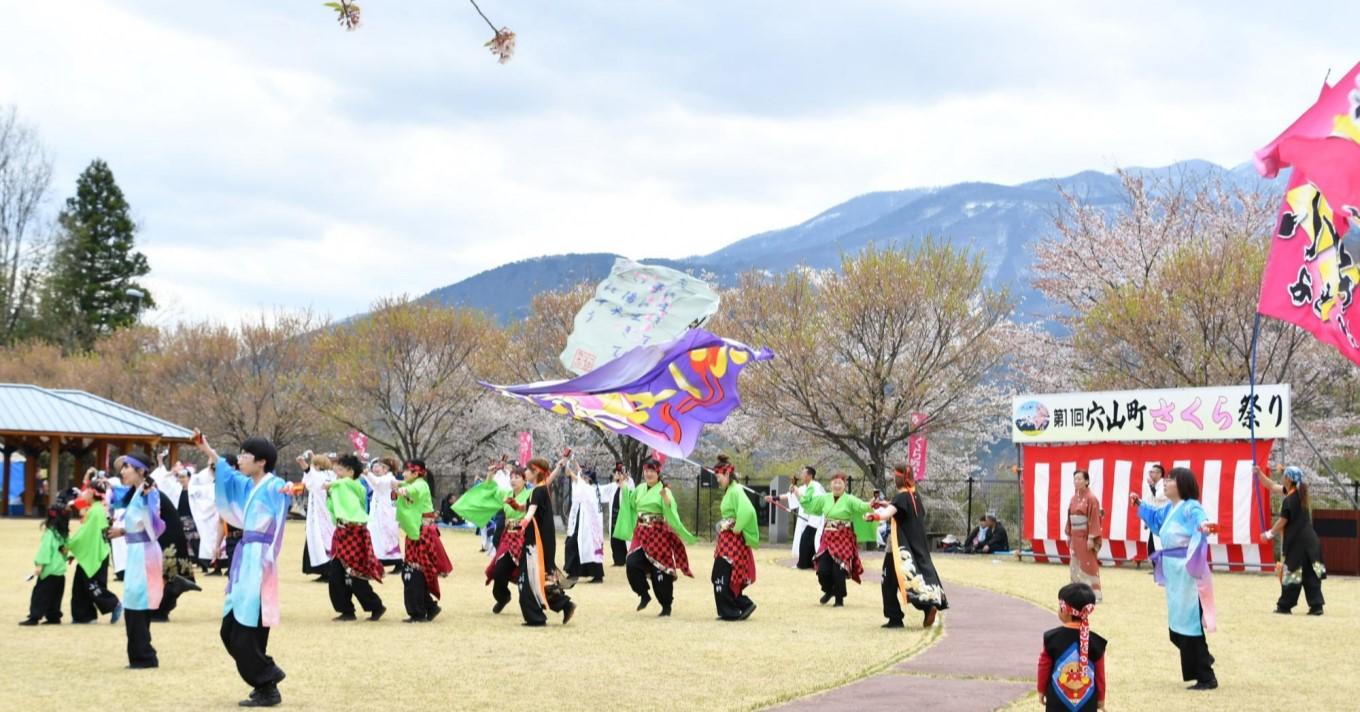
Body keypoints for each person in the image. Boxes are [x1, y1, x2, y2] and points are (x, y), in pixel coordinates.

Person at [196, 430, 301, 707]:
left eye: (246, 455)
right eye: (240, 454)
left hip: (260, 560)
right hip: (246, 557)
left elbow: (286, 492)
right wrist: (208, 450)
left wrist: (290, 490)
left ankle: (267, 681)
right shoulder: (249, 485)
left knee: (247, 627)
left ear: (262, 462)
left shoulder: (274, 485)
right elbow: (227, 475)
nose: (240, 459)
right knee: (230, 629)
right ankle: (263, 678)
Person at [1131, 467, 1218, 691]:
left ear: (1182, 484)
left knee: (1189, 624)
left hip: (1187, 571)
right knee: (1177, 628)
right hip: (1174, 572)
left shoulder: (1191, 506)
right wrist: (1140, 504)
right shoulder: (1170, 508)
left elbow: (1201, 519)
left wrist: (1204, 526)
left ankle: (1206, 676)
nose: (1166, 482)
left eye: (1170, 479)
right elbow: (1156, 519)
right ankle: (1203, 658)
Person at [866, 464, 947, 628]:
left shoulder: (900, 497)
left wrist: (873, 516)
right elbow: (900, 509)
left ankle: (894, 617)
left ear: (897, 479)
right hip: (916, 544)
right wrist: (886, 504)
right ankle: (927, 606)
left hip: (898, 548)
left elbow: (888, 514)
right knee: (912, 577)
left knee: (888, 581)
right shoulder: (914, 496)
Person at [615, 458, 698, 616]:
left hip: (658, 534)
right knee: (631, 563)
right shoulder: (640, 488)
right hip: (641, 533)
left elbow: (671, 509)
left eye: (652, 471)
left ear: (658, 472)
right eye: (646, 471)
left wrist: (666, 499)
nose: (648, 474)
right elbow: (631, 502)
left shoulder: (664, 490)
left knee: (660, 571)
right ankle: (644, 594)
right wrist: (623, 485)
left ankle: (666, 606)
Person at [106, 456, 165, 669]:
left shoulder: (150, 492)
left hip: (145, 553)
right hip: (137, 551)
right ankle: (140, 654)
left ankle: (145, 656)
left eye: (127, 467)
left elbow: (153, 525)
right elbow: (138, 523)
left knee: (137, 602)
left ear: (140, 471)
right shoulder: (138, 492)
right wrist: (122, 531)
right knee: (134, 602)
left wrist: (148, 499)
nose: (122, 472)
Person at [452, 464, 532, 613]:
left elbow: (532, 508)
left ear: (524, 479)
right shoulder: (506, 494)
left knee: (529, 573)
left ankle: (555, 602)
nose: (513, 480)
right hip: (508, 537)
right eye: (511, 477)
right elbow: (490, 489)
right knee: (498, 570)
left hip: (525, 537)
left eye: (517, 477)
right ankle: (503, 597)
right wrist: (490, 474)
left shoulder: (531, 494)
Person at [796, 472, 877, 607]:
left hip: (843, 538)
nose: (837, 485)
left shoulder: (849, 499)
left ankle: (839, 599)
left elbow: (862, 506)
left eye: (840, 483)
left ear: (844, 485)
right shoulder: (824, 498)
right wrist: (798, 494)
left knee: (838, 569)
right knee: (823, 569)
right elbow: (810, 505)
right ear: (830, 484)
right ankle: (829, 590)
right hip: (828, 537)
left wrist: (871, 503)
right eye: (834, 482)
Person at [325, 454, 386, 622]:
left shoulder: (355, 485)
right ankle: (346, 610)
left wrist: (332, 484)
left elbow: (344, 484)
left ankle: (375, 606)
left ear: (351, 472)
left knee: (355, 574)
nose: (336, 473)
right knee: (336, 574)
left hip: (354, 533)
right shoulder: (340, 486)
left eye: (340, 470)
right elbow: (332, 506)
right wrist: (330, 491)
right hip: (341, 532)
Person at [1258, 465, 1325, 616]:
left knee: (1292, 574)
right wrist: (1259, 474)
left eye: (1284, 476)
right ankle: (1316, 606)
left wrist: (1268, 534)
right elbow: (1271, 486)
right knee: (1310, 574)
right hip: (1311, 542)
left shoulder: (1290, 499)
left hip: (1299, 543)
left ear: (1288, 479)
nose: (1282, 478)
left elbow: (1282, 521)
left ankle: (1284, 606)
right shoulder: (1298, 494)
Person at [518, 457, 577, 626]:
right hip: (541, 541)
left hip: (536, 543)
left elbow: (530, 512)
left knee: (531, 578)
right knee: (539, 577)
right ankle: (564, 605)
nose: (525, 473)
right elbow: (548, 480)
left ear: (536, 471)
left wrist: (521, 525)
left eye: (528, 470)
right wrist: (560, 465)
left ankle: (536, 617)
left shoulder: (538, 491)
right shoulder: (541, 488)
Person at [396, 459, 452, 623]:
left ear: (415, 473)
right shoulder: (416, 483)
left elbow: (411, 491)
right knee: (412, 572)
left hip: (422, 533)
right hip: (416, 532)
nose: (404, 473)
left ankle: (419, 612)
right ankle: (429, 607)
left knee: (415, 572)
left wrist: (398, 488)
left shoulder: (419, 485)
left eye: (406, 471)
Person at [1036, 583, 1107, 712]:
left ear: (1065, 610)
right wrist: (1101, 698)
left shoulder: (1052, 638)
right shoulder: (1096, 642)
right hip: (1087, 701)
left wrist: (1041, 689)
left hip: (1057, 701)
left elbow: (1044, 666)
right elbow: (1100, 674)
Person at [68, 484, 122, 624]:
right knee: (80, 585)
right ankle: (84, 616)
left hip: (95, 554)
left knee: (92, 585)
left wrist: (69, 545)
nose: (83, 493)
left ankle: (113, 603)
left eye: (86, 491)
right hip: (92, 552)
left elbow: (85, 535)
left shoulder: (96, 511)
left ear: (92, 493)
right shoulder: (97, 510)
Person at [712, 463, 758, 621]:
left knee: (722, 573)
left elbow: (748, 510)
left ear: (726, 474)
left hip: (732, 541)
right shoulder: (730, 491)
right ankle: (737, 606)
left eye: (718, 476)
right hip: (726, 539)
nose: (717, 480)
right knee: (721, 574)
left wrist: (737, 528)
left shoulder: (736, 489)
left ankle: (736, 608)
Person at [20, 497, 70, 626]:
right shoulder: (63, 534)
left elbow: (45, 550)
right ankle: (54, 616)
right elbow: (65, 550)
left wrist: (39, 565)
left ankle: (34, 616)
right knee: (55, 596)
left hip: (49, 571)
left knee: (40, 595)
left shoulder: (50, 533)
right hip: (59, 571)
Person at [768, 466, 824, 569]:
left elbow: (805, 501)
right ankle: (809, 563)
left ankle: (803, 564)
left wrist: (796, 491)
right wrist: (774, 498)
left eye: (803, 474)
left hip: (815, 517)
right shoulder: (806, 487)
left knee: (807, 540)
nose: (801, 476)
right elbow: (790, 496)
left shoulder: (814, 486)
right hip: (808, 517)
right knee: (808, 540)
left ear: (810, 476)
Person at [564, 465, 606, 583]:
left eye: (584, 477)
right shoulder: (591, 488)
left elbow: (580, 484)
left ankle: (584, 574)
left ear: (589, 480)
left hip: (587, 524)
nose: (582, 479)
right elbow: (579, 485)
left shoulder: (591, 489)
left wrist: (572, 473)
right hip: (583, 521)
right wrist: (576, 469)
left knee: (575, 545)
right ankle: (577, 572)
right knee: (579, 546)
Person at [1067, 470, 1103, 602]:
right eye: (1075, 479)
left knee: (1089, 564)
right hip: (1075, 536)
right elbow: (1069, 517)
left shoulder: (1091, 498)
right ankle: (1077, 594)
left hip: (1085, 536)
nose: (1077, 482)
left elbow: (1095, 518)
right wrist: (1069, 535)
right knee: (1075, 563)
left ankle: (1093, 594)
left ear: (1087, 481)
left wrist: (1091, 537)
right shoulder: (1073, 498)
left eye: (1080, 479)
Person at [298, 452, 336, 580]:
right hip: (327, 513)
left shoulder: (319, 476)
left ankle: (326, 570)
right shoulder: (331, 476)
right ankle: (325, 571)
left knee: (321, 541)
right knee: (326, 540)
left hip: (320, 515)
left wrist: (303, 463)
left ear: (318, 466)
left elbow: (309, 473)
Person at [362, 456, 403, 570]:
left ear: (386, 468)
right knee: (376, 535)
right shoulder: (384, 478)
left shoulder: (388, 478)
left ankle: (397, 561)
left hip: (386, 513)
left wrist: (367, 474)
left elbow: (377, 482)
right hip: (378, 512)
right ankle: (379, 559)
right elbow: (374, 484)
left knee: (388, 537)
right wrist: (366, 475)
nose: (377, 468)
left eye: (380, 466)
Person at [600, 463, 634, 567]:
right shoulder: (613, 486)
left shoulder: (629, 483)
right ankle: (618, 560)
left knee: (625, 539)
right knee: (615, 539)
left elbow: (630, 493)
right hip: (614, 517)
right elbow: (600, 490)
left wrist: (624, 480)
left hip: (624, 517)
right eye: (616, 474)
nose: (617, 476)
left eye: (619, 473)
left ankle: (628, 559)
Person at [189, 463, 222, 571]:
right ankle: (214, 564)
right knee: (211, 540)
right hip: (211, 517)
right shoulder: (209, 485)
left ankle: (218, 564)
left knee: (218, 540)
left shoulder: (218, 485)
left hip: (219, 516)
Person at [1145, 464, 1168, 558]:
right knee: (1151, 545)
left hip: (1162, 520)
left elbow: (1159, 497)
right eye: (1150, 472)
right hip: (1155, 519)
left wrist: (1151, 486)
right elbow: (1151, 503)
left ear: (1159, 474)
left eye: (1152, 472)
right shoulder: (1154, 486)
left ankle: (1160, 569)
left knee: (1158, 545)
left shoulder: (1164, 484)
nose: (1150, 474)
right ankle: (1157, 568)